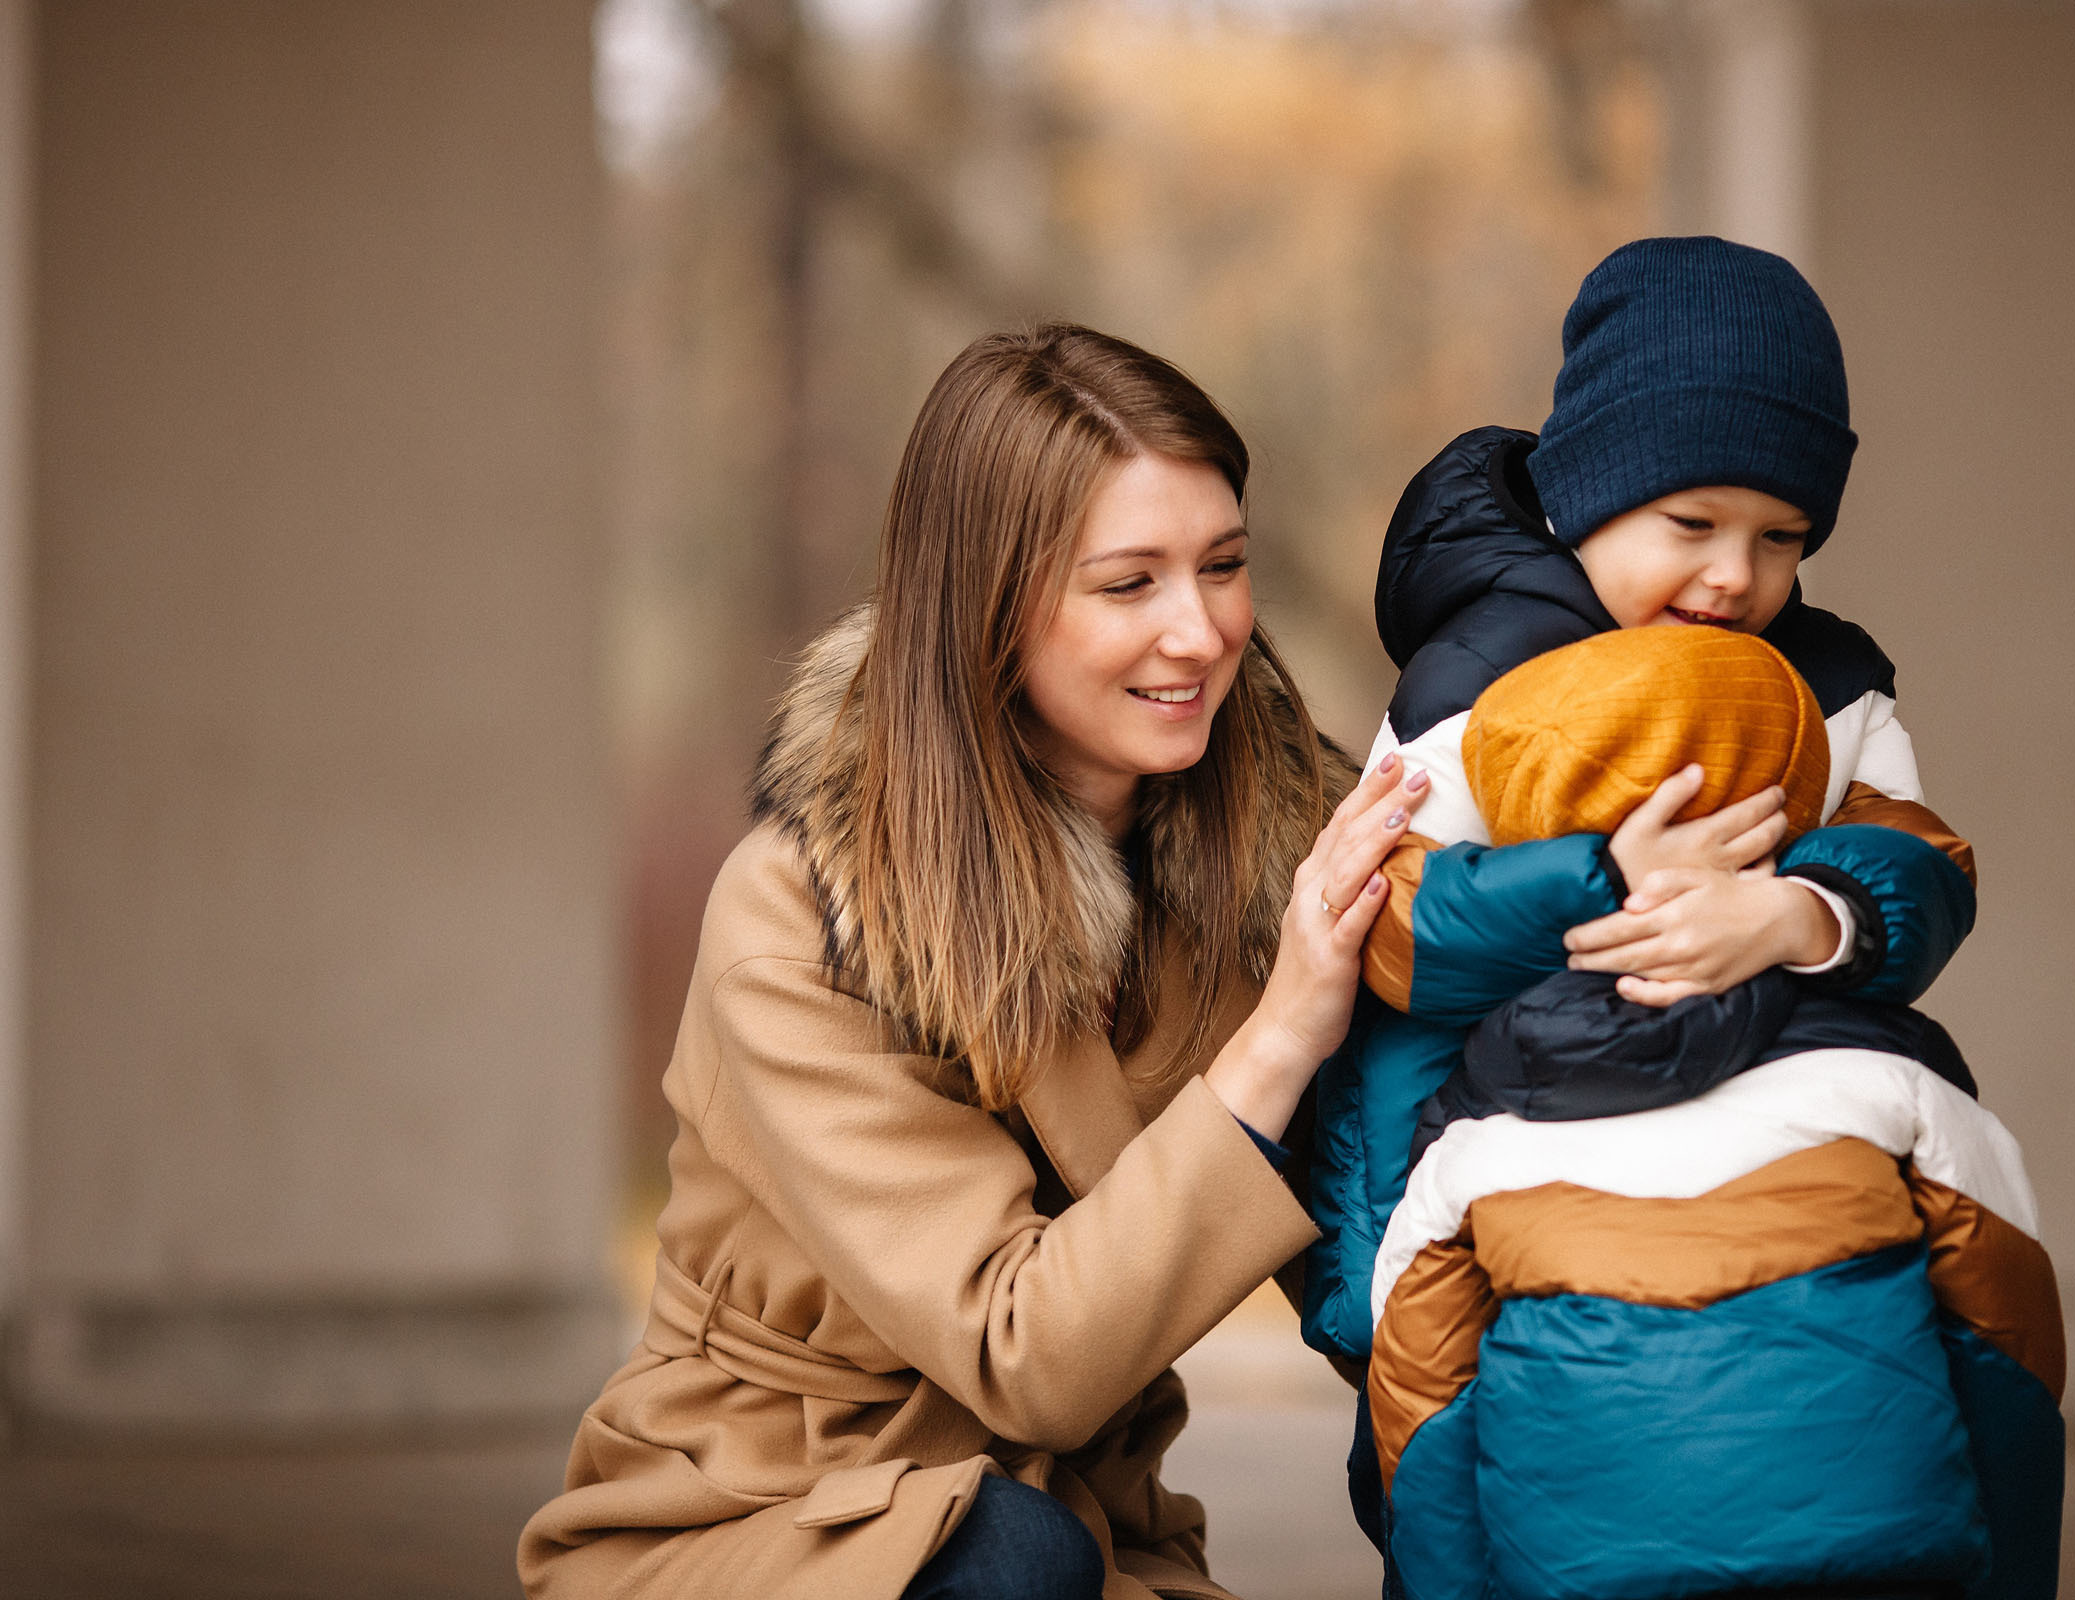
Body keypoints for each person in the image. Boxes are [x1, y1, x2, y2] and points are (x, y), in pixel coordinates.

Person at [517, 323, 1434, 1600]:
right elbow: (1028, 1354)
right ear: (993, 608)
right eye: (1130, 585)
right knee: (1007, 1562)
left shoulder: (1277, 855)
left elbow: (1400, 1218)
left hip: (1093, 1524)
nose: (1202, 631)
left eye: (1223, 565)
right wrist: (1280, 1036)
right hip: (769, 1516)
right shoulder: (802, 917)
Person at [1299, 238, 1996, 1591]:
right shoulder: (1476, 674)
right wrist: (1596, 882)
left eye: (1781, 536)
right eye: (1692, 523)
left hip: (1738, 1128)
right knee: (1456, 1459)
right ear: (1583, 497)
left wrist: (1801, 913)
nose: (1737, 574)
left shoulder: (1827, 685)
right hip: (1465, 1126)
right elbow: (1388, 926)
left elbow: (1927, 862)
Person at [1361, 623, 2065, 1600]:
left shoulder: (1477, 1134)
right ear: (1802, 802)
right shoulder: (1887, 1081)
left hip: (1572, 1565)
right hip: (1874, 1549)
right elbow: (2010, 1342)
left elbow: (1422, 1415)